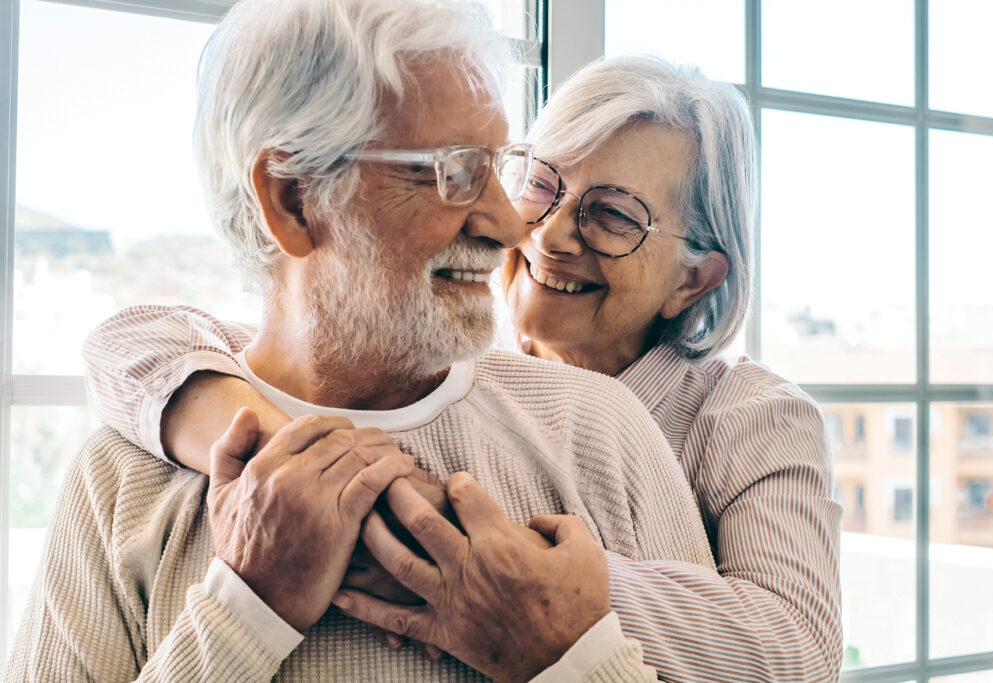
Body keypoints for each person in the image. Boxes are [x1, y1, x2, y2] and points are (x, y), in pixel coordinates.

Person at [78, 36, 842, 683]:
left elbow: (800, 652)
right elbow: (161, 337)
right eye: (541, 182)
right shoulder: (437, 348)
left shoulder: (734, 417)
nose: (537, 232)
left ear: (693, 279)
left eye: (612, 215)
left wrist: (529, 578)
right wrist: (284, 452)